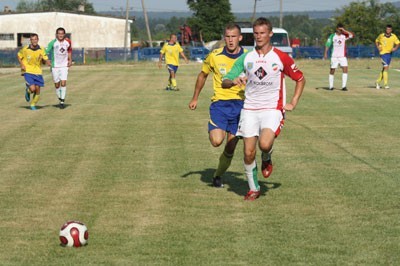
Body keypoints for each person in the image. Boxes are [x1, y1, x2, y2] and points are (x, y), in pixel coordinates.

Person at [222, 17, 305, 201]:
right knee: (248, 152)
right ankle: (253, 189)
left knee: (265, 144)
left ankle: (266, 156)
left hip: (272, 109)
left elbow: (300, 78)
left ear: (270, 34)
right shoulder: (246, 57)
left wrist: (293, 102)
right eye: (256, 33)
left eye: (262, 33)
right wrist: (234, 81)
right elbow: (225, 81)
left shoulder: (280, 57)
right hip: (250, 109)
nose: (258, 37)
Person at [188, 23, 246, 188]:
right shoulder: (215, 55)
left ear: (240, 38)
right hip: (220, 104)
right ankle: (214, 128)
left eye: (234, 36)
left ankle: (217, 176)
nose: (230, 40)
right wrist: (195, 98)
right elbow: (202, 75)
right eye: (227, 36)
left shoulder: (248, 57)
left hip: (241, 106)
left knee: (230, 148)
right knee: (216, 141)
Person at [17, 33, 50, 110]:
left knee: (37, 90)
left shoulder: (41, 49)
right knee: (33, 89)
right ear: (30, 40)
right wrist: (22, 64)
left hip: (38, 71)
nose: (34, 41)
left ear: (38, 40)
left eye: (35, 39)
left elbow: (45, 60)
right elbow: (18, 55)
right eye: (32, 39)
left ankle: (33, 104)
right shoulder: (25, 49)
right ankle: (28, 91)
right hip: (28, 71)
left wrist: (47, 61)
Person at [46, 27, 72, 109]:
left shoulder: (68, 42)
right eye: (59, 33)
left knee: (63, 83)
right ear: (56, 34)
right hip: (55, 66)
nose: (60, 35)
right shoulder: (53, 43)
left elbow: (69, 50)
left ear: (64, 34)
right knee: (57, 85)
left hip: (64, 66)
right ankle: (60, 97)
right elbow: (45, 52)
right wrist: (47, 60)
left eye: (62, 33)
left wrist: (70, 60)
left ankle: (62, 101)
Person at [323, 23, 354, 91]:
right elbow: (327, 45)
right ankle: (331, 86)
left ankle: (344, 86)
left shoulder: (344, 36)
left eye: (341, 29)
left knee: (345, 69)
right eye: (340, 29)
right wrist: (325, 53)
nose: (340, 30)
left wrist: (344, 30)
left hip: (342, 56)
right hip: (334, 56)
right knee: (332, 70)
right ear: (336, 29)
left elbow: (351, 35)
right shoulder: (332, 36)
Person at [375, 24, 399, 89]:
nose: (387, 30)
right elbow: (376, 41)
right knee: (386, 67)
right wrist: (378, 47)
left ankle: (377, 82)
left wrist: (395, 48)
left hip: (389, 54)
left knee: (384, 68)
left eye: (389, 29)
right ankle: (386, 84)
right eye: (387, 29)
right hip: (383, 54)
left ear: (391, 30)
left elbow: (398, 43)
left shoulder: (394, 36)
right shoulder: (381, 35)